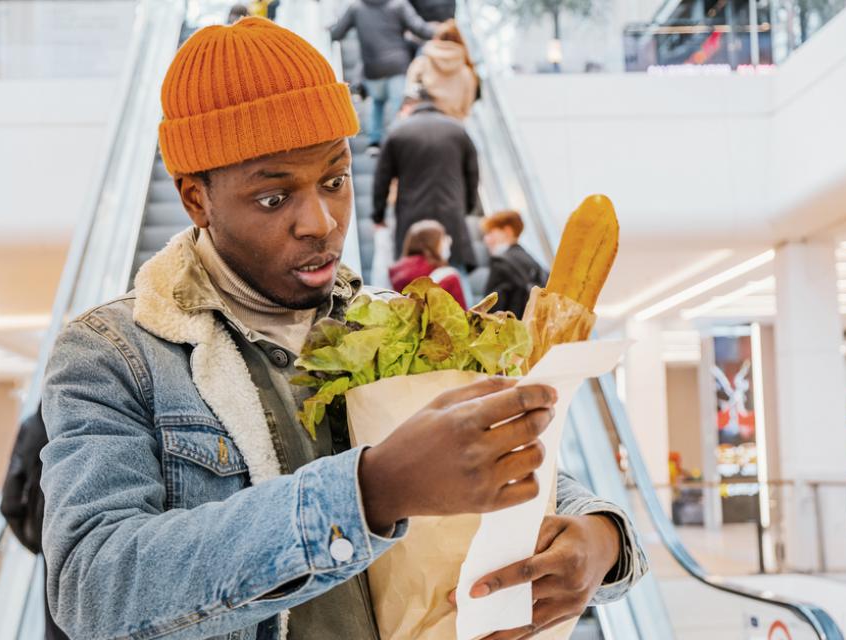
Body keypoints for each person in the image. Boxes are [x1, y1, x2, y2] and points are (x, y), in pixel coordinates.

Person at [40, 18, 647, 640]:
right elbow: (92, 586)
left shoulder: (402, 321)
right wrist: (369, 492)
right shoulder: (114, 354)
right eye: (274, 199)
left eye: (335, 179)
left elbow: (504, 460)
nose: (322, 221)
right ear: (196, 199)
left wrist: (600, 539)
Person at [373, 89, 480, 272]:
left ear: (408, 107)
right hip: (451, 215)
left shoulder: (398, 132)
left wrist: (379, 215)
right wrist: (468, 206)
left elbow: (381, 178)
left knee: (415, 283)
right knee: (453, 275)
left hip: (411, 219)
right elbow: (472, 173)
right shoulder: (458, 130)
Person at [0, 407, 69, 640]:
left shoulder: (35, 424)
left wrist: (39, 543)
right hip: (101, 542)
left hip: (52, 540)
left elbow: (10, 504)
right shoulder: (100, 415)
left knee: (57, 626)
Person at [330, 0, 435, 153]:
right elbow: (420, 28)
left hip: (372, 68)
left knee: (376, 102)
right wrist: (442, 32)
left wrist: (325, 30)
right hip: (398, 64)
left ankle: (374, 142)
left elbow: (337, 33)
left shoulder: (356, 7)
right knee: (397, 105)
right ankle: (396, 141)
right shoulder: (399, 5)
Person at [406, 19, 478, 120]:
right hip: (451, 125)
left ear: (436, 38)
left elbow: (409, 93)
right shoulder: (467, 74)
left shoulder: (421, 63)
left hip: (421, 120)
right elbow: (466, 109)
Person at [482, 210, 549, 318]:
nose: (486, 240)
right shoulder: (532, 260)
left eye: (490, 233)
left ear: (507, 231)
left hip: (513, 330)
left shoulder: (500, 263)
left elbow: (489, 311)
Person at [389, 219, 467, 307]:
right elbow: (461, 315)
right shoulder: (448, 277)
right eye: (443, 238)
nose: (448, 241)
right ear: (433, 244)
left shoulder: (396, 273)